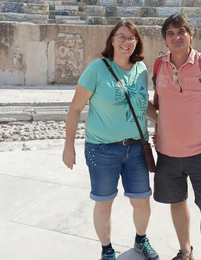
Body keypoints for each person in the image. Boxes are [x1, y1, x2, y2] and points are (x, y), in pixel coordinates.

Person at [62, 20, 159, 260]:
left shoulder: (141, 70)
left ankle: (141, 240)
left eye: (131, 38)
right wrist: (68, 146)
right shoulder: (97, 69)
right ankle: (107, 250)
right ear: (112, 40)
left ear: (137, 42)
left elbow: (141, 104)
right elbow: (75, 109)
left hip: (136, 148)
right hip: (102, 149)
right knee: (104, 203)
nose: (126, 42)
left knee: (142, 201)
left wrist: (165, 121)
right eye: (122, 37)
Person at [148, 14, 201, 260]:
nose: (176, 37)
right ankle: (186, 252)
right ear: (165, 39)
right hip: (168, 153)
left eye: (181, 32)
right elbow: (157, 103)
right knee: (177, 202)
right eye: (170, 34)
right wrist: (160, 122)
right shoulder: (158, 66)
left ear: (190, 35)